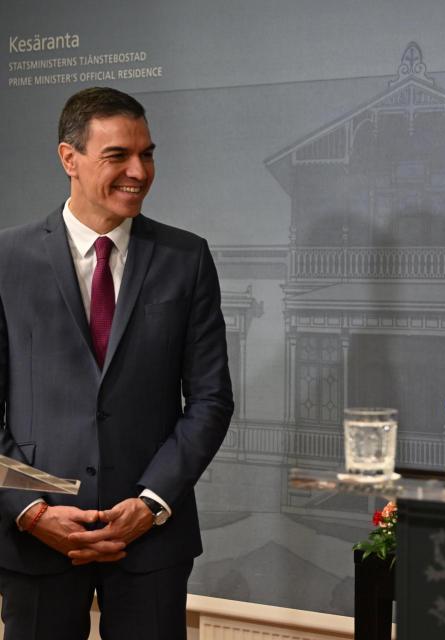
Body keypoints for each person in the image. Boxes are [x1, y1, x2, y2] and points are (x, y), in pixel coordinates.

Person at [0, 87, 233, 639]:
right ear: (69, 159)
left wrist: (150, 504)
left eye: (147, 153)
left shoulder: (187, 257)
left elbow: (210, 399)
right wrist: (31, 509)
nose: (139, 171)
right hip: (35, 537)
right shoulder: (7, 259)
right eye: (118, 156)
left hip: (151, 540)